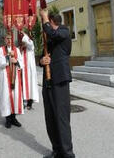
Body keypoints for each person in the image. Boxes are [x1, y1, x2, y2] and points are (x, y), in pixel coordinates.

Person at [39, 9, 75, 158]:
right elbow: (41, 57)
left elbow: (53, 33)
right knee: (50, 117)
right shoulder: (51, 40)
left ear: (54, 23)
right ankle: (57, 150)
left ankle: (67, 153)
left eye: (49, 24)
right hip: (48, 81)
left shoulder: (64, 32)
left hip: (60, 80)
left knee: (61, 118)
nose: (46, 28)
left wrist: (44, 18)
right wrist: (42, 61)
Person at [0, 34, 24, 129]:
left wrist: (16, 61)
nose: (9, 40)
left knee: (15, 97)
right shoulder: (1, 50)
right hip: (5, 77)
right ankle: (8, 119)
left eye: (10, 38)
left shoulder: (16, 50)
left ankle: (14, 118)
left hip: (15, 78)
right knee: (6, 97)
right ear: (4, 39)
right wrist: (8, 57)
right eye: (7, 38)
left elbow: (21, 62)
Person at [19, 31, 39, 110]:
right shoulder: (20, 49)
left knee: (30, 85)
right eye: (22, 42)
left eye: (24, 42)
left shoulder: (30, 46)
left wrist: (25, 34)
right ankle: (23, 101)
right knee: (22, 84)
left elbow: (29, 43)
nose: (23, 43)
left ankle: (29, 102)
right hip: (22, 69)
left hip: (29, 71)